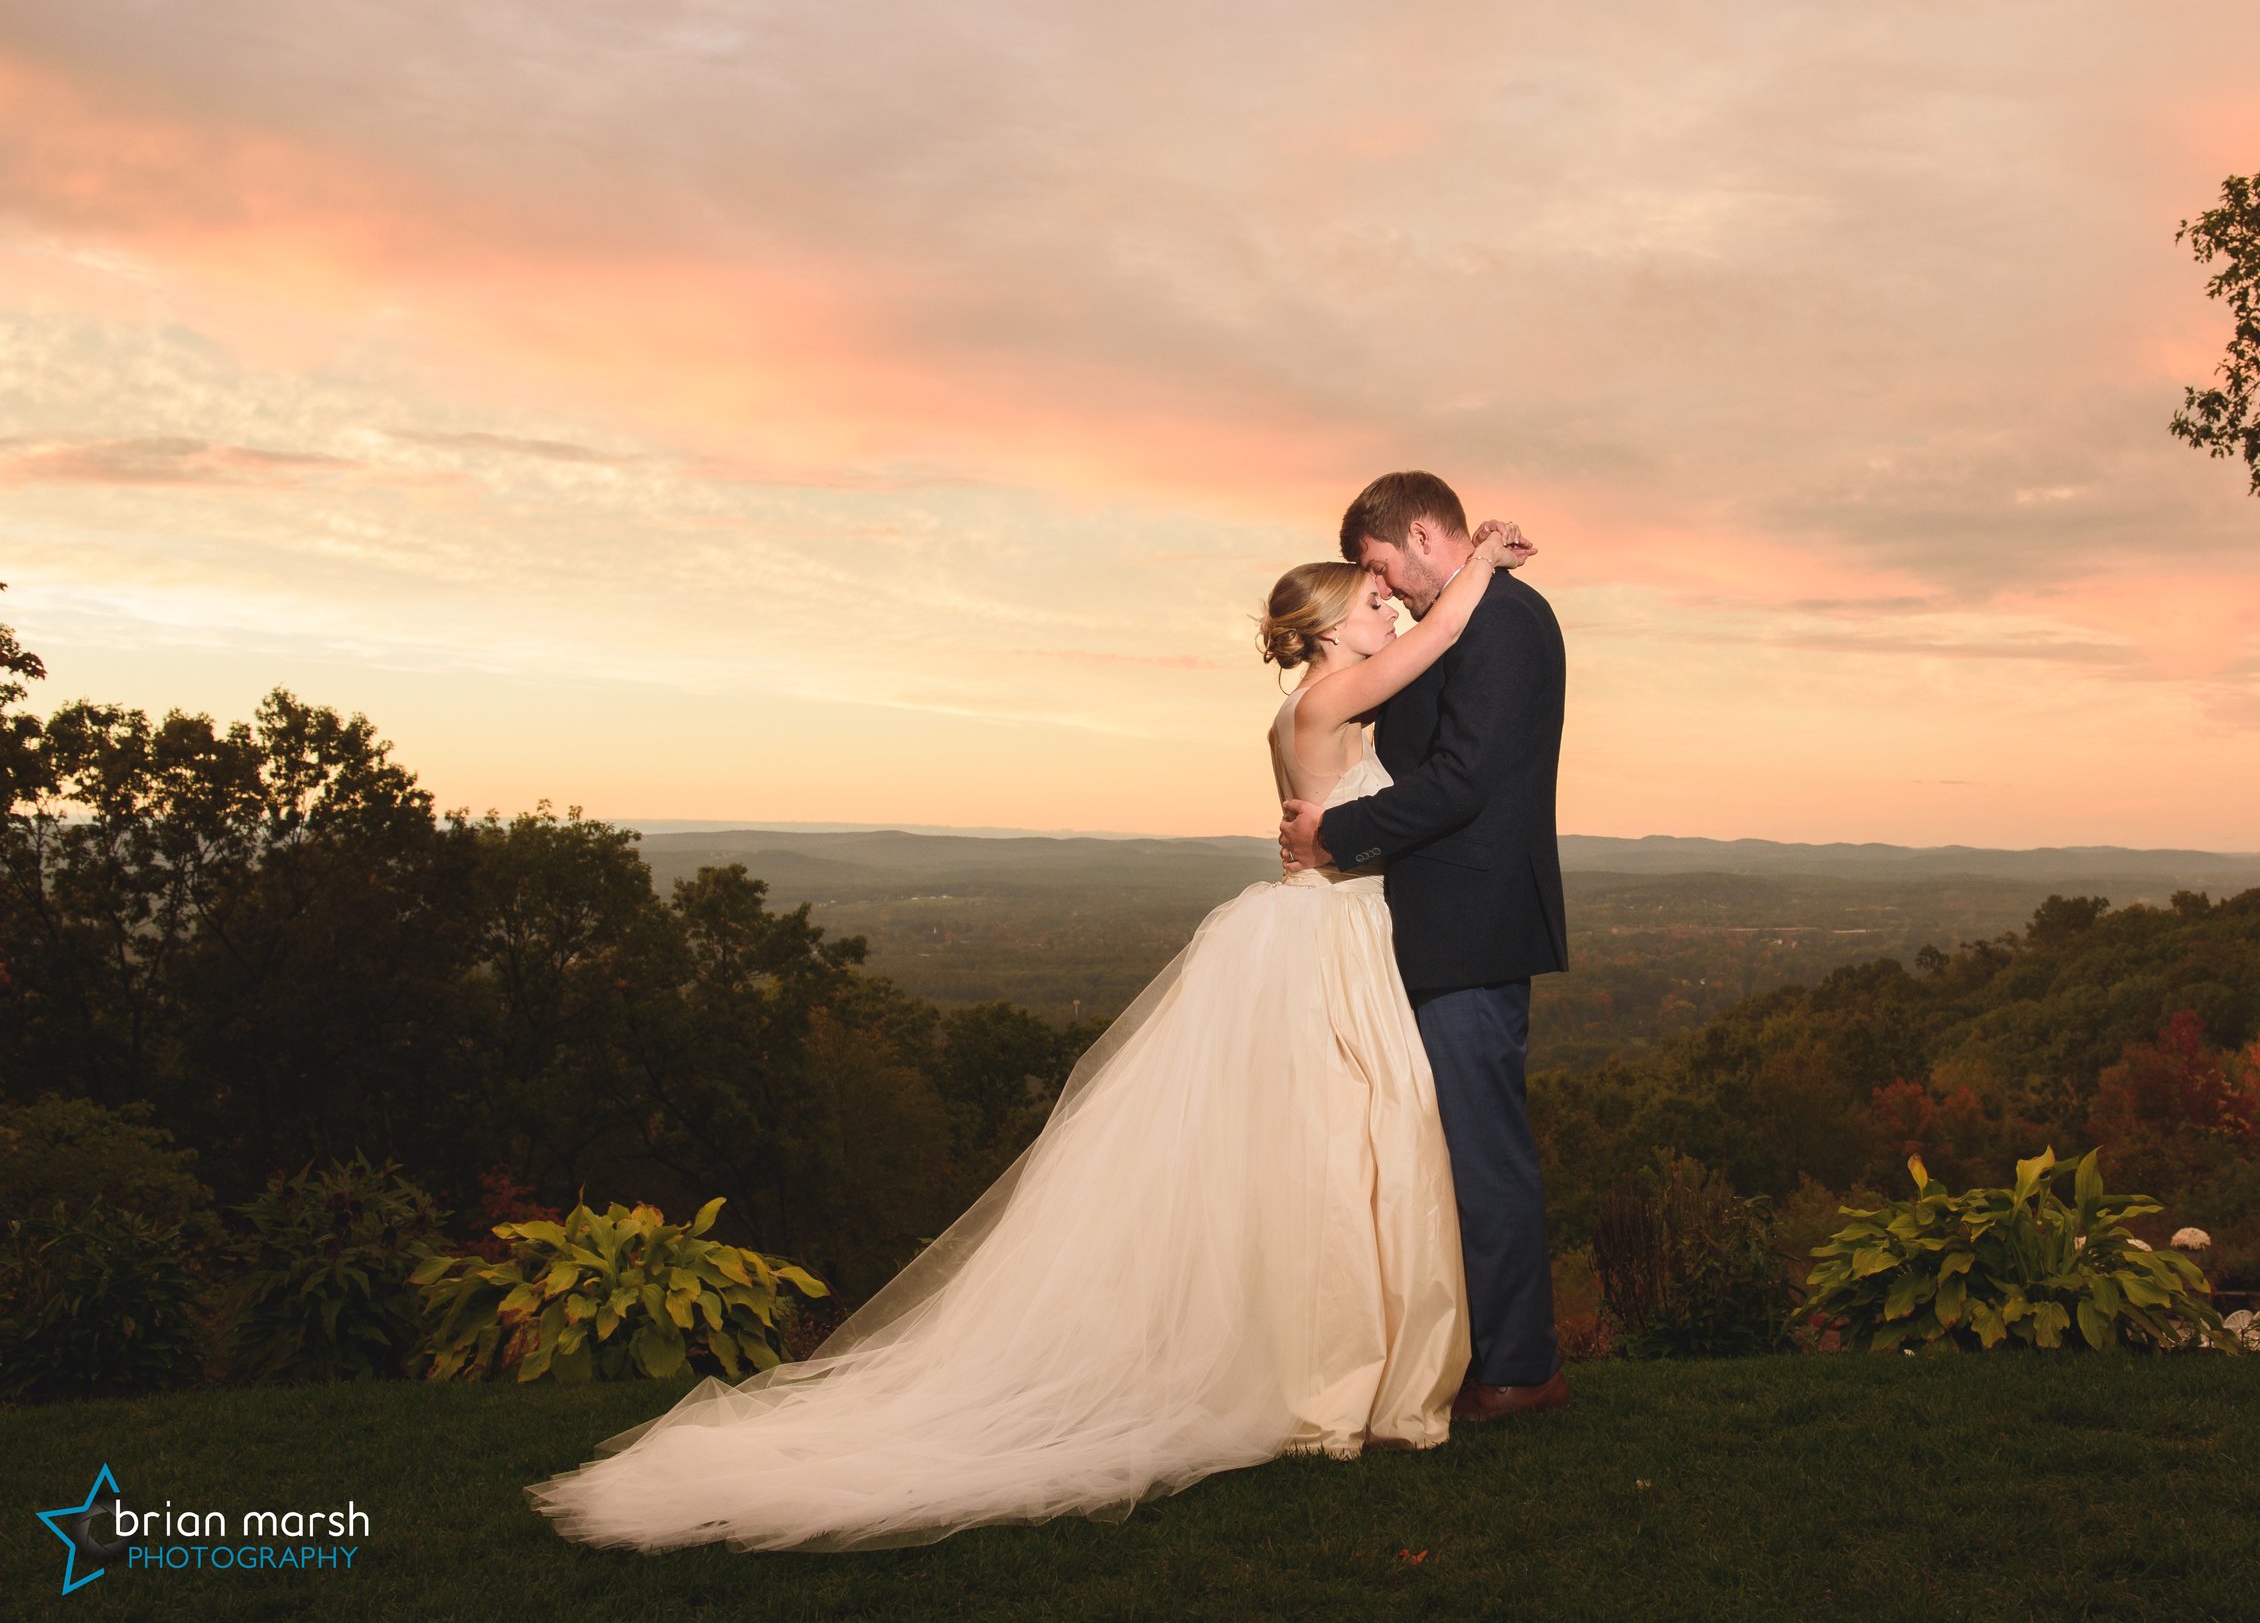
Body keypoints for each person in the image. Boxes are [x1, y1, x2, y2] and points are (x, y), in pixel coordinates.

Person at [528, 514, 1536, 1553]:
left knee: (1325, 1156)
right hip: (1332, 937)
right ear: (1326, 627)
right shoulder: (1335, 693)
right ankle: (1346, 1384)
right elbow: (1441, 637)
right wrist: (1481, 563)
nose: (1389, 608)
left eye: (1387, 595)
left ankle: (1332, 1373)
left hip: (1308, 928)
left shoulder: (1289, 713)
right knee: (1350, 1156)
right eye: (1370, 599)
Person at [1279, 469, 1570, 1421]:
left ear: (1415, 534)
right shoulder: (1461, 619)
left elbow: (1463, 779)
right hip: (1413, 931)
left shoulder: (1506, 624)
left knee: (1485, 1154)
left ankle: (1520, 1368)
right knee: (1428, 1156)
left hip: (1472, 931)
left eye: (1378, 568)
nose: (1388, 592)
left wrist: (1333, 836)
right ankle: (1454, 1352)